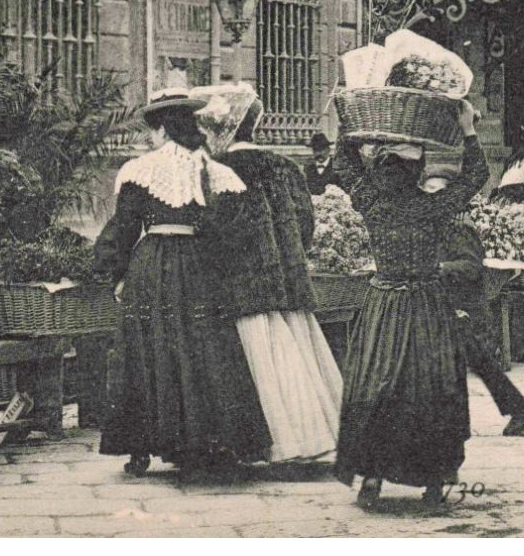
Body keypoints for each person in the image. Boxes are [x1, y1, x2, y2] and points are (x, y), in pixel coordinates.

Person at [93, 87, 268, 477]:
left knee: (148, 350)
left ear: (161, 130)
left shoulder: (139, 170)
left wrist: (113, 273)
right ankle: (208, 441)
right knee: (203, 347)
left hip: (152, 266)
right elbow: (235, 235)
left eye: (152, 131)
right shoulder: (218, 173)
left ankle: (141, 448)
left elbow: (123, 230)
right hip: (199, 266)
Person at [330, 100, 487, 506]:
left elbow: (343, 162)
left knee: (376, 383)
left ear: (382, 170)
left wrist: (354, 126)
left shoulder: (372, 203)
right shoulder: (432, 206)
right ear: (416, 172)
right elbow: (477, 175)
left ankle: (372, 479)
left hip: (384, 304)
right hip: (427, 306)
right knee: (432, 387)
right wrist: (467, 129)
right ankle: (433, 481)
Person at [193, 83, 345, 462]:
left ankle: (261, 442)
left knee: (257, 362)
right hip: (288, 282)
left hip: (239, 284)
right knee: (294, 359)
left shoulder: (217, 169)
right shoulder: (285, 166)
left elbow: (212, 229)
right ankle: (310, 435)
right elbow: (307, 222)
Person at [441, 214, 524, 436]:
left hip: (465, 307)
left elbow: (472, 267)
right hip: (438, 304)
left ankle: (518, 409)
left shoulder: (459, 229)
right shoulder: (428, 226)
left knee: (480, 363)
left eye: (437, 189)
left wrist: (441, 267)